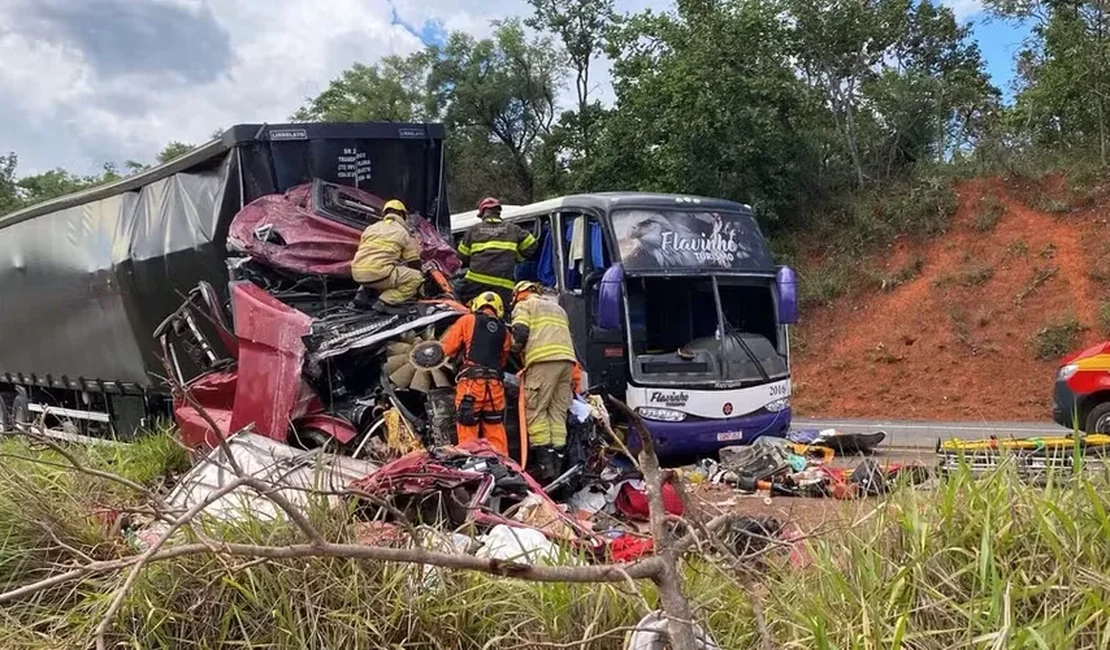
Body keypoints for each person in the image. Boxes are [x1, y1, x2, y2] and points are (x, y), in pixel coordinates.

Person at [510, 281, 580, 481]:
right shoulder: (558, 309)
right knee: (557, 413)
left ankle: (545, 468)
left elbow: (520, 333)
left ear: (520, 293)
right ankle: (559, 466)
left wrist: (512, 348)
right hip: (566, 363)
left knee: (535, 411)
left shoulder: (525, 305)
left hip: (542, 362)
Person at [439, 291, 512, 456]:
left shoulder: (467, 320)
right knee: (495, 433)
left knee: (468, 434)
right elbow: (502, 360)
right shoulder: (504, 331)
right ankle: (502, 469)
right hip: (495, 388)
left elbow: (448, 349)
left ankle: (471, 468)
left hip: (471, 386)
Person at [457, 197, 538, 309]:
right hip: (503, 286)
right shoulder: (513, 229)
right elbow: (531, 244)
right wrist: (516, 258)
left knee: (457, 301)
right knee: (502, 316)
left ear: (483, 213)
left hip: (475, 284)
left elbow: (462, 256)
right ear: (498, 212)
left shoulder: (474, 230)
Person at [350, 199, 422, 313]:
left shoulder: (371, 228)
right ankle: (385, 302)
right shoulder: (402, 231)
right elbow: (413, 262)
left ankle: (362, 295)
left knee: (374, 266)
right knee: (416, 277)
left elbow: (367, 252)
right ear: (402, 215)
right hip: (379, 274)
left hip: (357, 273)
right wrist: (420, 281)